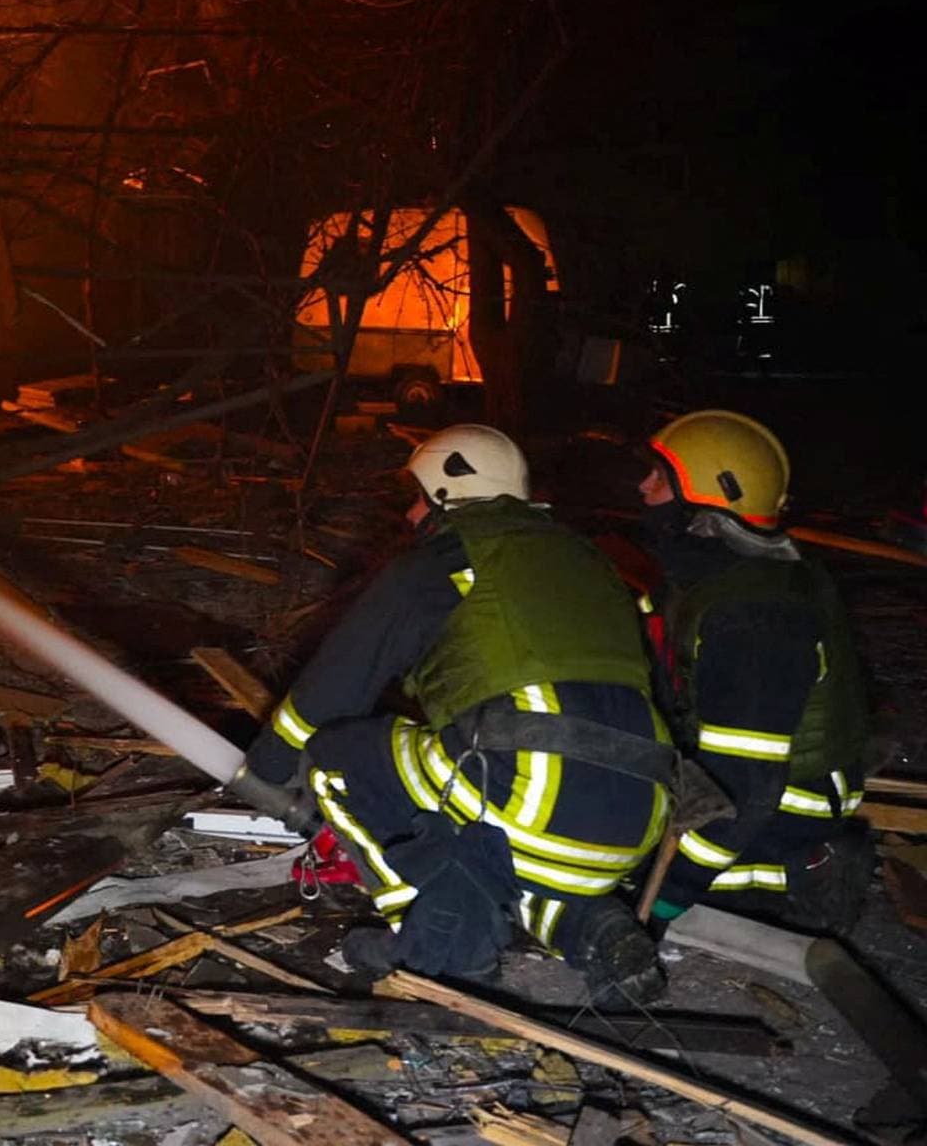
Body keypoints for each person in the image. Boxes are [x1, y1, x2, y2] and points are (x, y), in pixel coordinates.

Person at [228, 424, 673, 1002]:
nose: (411, 515)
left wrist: (264, 769)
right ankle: (590, 926)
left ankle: (435, 942)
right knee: (500, 856)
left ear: (444, 492)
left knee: (337, 756)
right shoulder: (590, 562)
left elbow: (334, 689)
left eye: (417, 496)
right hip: (638, 815)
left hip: (536, 791)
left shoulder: (448, 559)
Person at [636, 410, 873, 932]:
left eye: (660, 477)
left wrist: (665, 897)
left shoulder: (754, 616)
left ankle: (809, 865)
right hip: (731, 774)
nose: (643, 487)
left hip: (789, 797)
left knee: (617, 864)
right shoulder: (716, 584)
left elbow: (746, 786)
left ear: (703, 498)